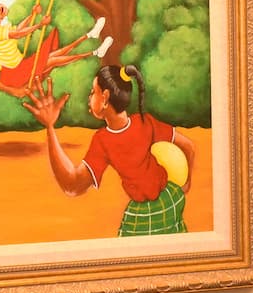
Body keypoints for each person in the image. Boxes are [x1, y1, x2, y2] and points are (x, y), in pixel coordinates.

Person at [23, 65, 196, 236]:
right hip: (172, 198)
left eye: (93, 91)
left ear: (105, 97)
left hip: (144, 213)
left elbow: (72, 185)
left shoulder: (104, 140)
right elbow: (188, 146)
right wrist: (185, 185)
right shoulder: (145, 122)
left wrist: (50, 127)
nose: (89, 97)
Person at [0, 0, 112, 98]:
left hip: (19, 65)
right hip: (14, 72)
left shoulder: (1, 26)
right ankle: (94, 51)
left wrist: (33, 15)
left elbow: (18, 29)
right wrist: (40, 24)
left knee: (54, 56)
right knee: (52, 59)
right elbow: (18, 35)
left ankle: (90, 36)